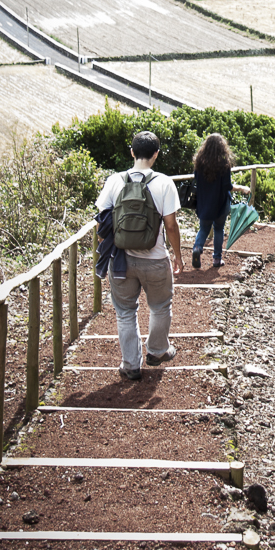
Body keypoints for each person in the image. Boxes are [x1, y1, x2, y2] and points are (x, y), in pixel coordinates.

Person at [95, 130, 184, 381]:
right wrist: (177, 255)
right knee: (160, 306)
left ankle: (130, 365)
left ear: (132, 152)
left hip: (121, 260)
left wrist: (109, 251)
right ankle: (156, 351)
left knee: (125, 312)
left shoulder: (114, 181)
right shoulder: (164, 183)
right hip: (155, 259)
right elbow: (170, 225)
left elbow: (102, 223)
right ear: (156, 154)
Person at [191, 132, 249, 269]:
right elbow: (227, 186)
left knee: (204, 228)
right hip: (220, 204)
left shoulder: (199, 164)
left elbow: (197, 182)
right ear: (222, 147)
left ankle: (197, 247)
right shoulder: (224, 165)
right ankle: (217, 259)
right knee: (219, 229)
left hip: (204, 203)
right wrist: (241, 188)